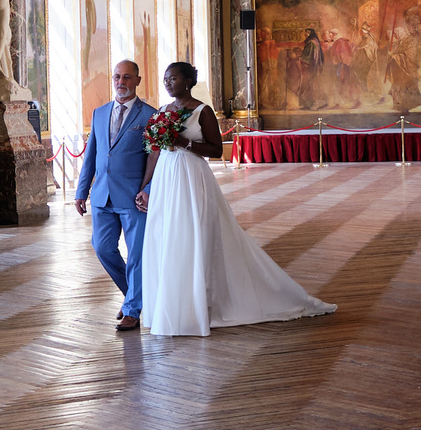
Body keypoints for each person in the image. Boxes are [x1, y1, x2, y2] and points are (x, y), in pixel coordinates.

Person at [136, 61, 336, 338]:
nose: (167, 83)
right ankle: (170, 307)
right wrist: (145, 186)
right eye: (165, 78)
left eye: (173, 78)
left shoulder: (202, 111)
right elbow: (155, 152)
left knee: (191, 236)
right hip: (166, 179)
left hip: (191, 178)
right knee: (165, 236)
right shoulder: (162, 111)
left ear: (187, 81)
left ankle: (199, 305)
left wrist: (184, 143)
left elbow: (216, 150)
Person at [74, 60, 152, 332]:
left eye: (127, 77)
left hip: (134, 199)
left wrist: (147, 191)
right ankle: (134, 295)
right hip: (102, 196)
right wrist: (81, 191)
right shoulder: (99, 113)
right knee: (103, 248)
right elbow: (91, 155)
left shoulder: (149, 116)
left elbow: (156, 160)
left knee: (137, 255)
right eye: (117, 76)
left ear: (138, 81)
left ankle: (132, 309)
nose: (121, 81)